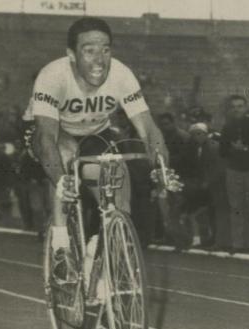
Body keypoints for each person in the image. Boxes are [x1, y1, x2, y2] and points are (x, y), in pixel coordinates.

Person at [30, 17, 174, 290]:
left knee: (120, 187)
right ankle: (61, 245)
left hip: (96, 134)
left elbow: (148, 129)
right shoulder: (52, 76)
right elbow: (46, 137)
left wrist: (162, 166)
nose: (99, 60)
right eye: (89, 50)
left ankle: (106, 270)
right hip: (53, 133)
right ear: (71, 55)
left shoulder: (121, 74)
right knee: (66, 152)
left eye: (105, 49)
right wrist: (62, 179)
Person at [219, 95, 249, 252]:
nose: (237, 109)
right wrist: (233, 149)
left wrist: (246, 149)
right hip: (234, 171)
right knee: (236, 208)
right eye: (234, 106)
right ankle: (238, 244)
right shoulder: (227, 127)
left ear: (246, 107)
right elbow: (222, 151)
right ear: (230, 109)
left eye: (240, 106)